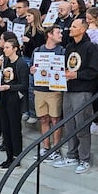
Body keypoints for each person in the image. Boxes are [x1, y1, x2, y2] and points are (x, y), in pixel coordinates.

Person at [53, 18, 98, 174]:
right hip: (68, 89)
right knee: (69, 125)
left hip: (83, 91)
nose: (70, 29)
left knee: (82, 125)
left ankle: (85, 159)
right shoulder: (68, 47)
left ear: (83, 29)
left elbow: (96, 70)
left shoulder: (90, 48)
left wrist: (77, 75)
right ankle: (71, 155)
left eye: (74, 26)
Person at [30, 26, 65, 161]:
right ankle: (46, 147)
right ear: (49, 35)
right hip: (40, 89)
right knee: (43, 119)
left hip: (54, 90)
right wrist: (32, 70)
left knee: (55, 119)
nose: (61, 35)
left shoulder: (62, 51)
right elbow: (32, 67)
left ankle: (56, 148)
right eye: (58, 32)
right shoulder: (38, 50)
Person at [0, 37, 29, 171]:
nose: (4, 49)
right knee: (6, 128)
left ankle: (16, 157)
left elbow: (24, 85)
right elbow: (0, 77)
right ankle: (8, 157)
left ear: (15, 49)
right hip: (3, 98)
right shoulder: (5, 61)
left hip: (14, 99)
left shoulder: (21, 64)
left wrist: (10, 88)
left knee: (14, 128)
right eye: (4, 47)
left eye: (8, 47)